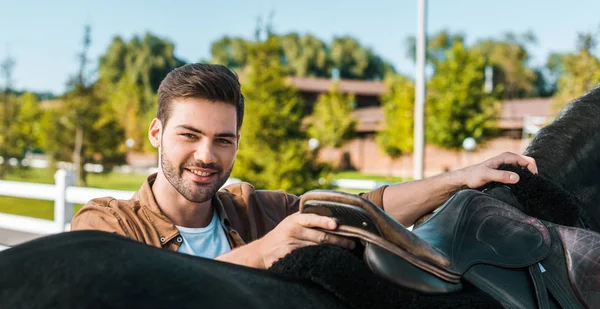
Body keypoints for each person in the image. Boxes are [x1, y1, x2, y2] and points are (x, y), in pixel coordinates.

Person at [71, 63, 538, 269]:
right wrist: (261, 253)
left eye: (223, 140)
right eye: (189, 135)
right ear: (157, 134)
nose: (206, 155)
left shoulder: (255, 210)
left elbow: (365, 207)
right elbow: (131, 302)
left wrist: (462, 178)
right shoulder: (106, 223)